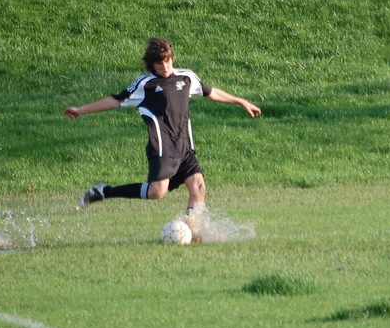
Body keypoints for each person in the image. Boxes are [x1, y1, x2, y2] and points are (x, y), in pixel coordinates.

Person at [64, 37, 262, 214]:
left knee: (199, 188)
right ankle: (103, 191)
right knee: (157, 192)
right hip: (163, 148)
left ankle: (192, 230)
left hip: (185, 146)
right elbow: (115, 100)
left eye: (167, 61)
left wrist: (241, 101)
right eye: (159, 64)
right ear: (152, 65)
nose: (165, 67)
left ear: (172, 58)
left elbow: (211, 92)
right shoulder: (145, 84)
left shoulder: (186, 77)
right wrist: (81, 110)